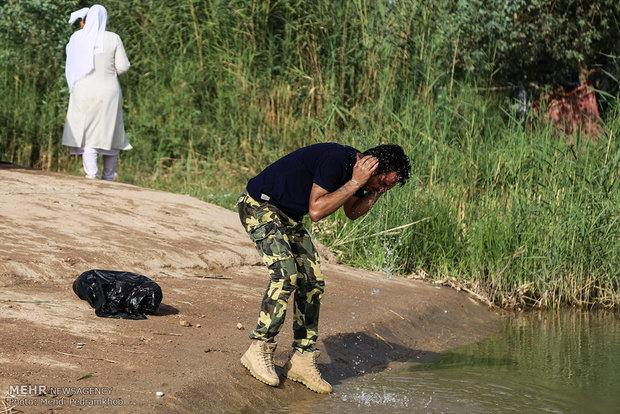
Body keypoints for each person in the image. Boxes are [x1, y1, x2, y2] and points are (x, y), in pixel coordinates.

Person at [237, 142, 410, 393]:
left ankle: (302, 359)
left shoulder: (360, 174)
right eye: (383, 182)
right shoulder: (337, 161)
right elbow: (316, 211)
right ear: (373, 166)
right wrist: (357, 182)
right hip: (258, 205)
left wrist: (374, 190)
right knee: (286, 275)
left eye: (387, 187)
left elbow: (352, 212)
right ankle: (259, 347)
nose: (382, 189)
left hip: (286, 216)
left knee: (312, 282)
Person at [62, 4, 131, 181]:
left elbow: (71, 62)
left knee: (88, 134)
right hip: (108, 92)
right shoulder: (113, 38)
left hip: (82, 92)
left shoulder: (76, 38)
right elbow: (123, 67)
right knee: (110, 133)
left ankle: (90, 175)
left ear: (87, 19)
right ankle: (108, 178)